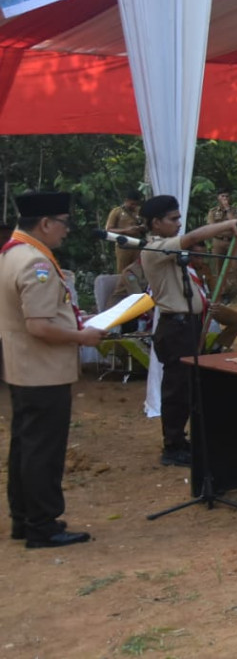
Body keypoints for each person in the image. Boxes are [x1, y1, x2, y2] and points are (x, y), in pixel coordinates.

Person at [1, 191, 106, 548]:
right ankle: (43, 526)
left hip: (22, 368)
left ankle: (24, 518)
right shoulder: (37, 264)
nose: (66, 231)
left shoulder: (12, 252)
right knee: (43, 451)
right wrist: (82, 336)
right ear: (45, 223)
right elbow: (40, 326)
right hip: (43, 370)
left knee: (26, 448)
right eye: (64, 223)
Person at [141, 195, 237, 467]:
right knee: (177, 388)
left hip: (189, 325)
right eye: (173, 219)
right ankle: (172, 445)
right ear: (156, 223)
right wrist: (226, 223)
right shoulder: (154, 249)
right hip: (175, 326)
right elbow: (192, 237)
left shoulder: (170, 249)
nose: (178, 224)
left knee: (188, 386)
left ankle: (181, 438)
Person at [186, 243, 237, 353]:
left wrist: (214, 300)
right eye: (196, 256)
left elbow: (213, 291)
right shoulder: (183, 270)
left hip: (209, 306)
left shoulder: (205, 268)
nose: (200, 260)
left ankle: (218, 345)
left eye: (203, 256)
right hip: (192, 309)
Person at [206, 189, 237, 301]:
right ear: (218, 198)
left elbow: (236, 223)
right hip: (218, 241)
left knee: (236, 266)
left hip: (232, 241)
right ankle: (223, 293)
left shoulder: (234, 211)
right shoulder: (213, 212)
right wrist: (227, 228)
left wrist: (227, 209)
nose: (225, 198)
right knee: (219, 267)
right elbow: (212, 227)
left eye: (227, 196)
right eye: (222, 196)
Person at [104, 191, 145, 274]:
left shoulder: (140, 211)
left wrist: (141, 228)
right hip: (123, 245)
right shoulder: (116, 212)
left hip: (137, 244)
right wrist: (126, 230)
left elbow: (146, 225)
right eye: (132, 204)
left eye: (136, 204)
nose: (134, 206)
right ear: (126, 201)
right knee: (123, 271)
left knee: (138, 270)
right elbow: (108, 229)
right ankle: (122, 286)